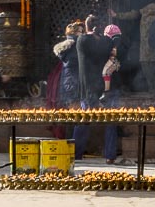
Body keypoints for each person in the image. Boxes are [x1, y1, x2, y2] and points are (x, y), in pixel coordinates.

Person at [112, 0, 155, 91]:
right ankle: (152, 90)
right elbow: (135, 14)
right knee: (146, 65)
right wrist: (117, 15)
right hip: (144, 38)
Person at [73, 15, 111, 160]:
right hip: (104, 86)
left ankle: (76, 153)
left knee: (83, 121)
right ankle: (109, 155)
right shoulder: (106, 42)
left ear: (87, 26)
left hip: (87, 86)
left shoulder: (82, 40)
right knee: (110, 121)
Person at [100, 23, 129, 164]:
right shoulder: (123, 45)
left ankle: (110, 154)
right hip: (116, 89)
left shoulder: (107, 45)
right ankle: (110, 153)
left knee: (110, 122)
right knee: (113, 122)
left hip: (109, 90)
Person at [52, 20, 84, 107]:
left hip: (69, 79)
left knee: (72, 105)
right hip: (73, 79)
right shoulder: (76, 46)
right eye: (80, 31)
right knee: (74, 106)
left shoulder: (68, 47)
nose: (82, 34)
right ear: (74, 33)